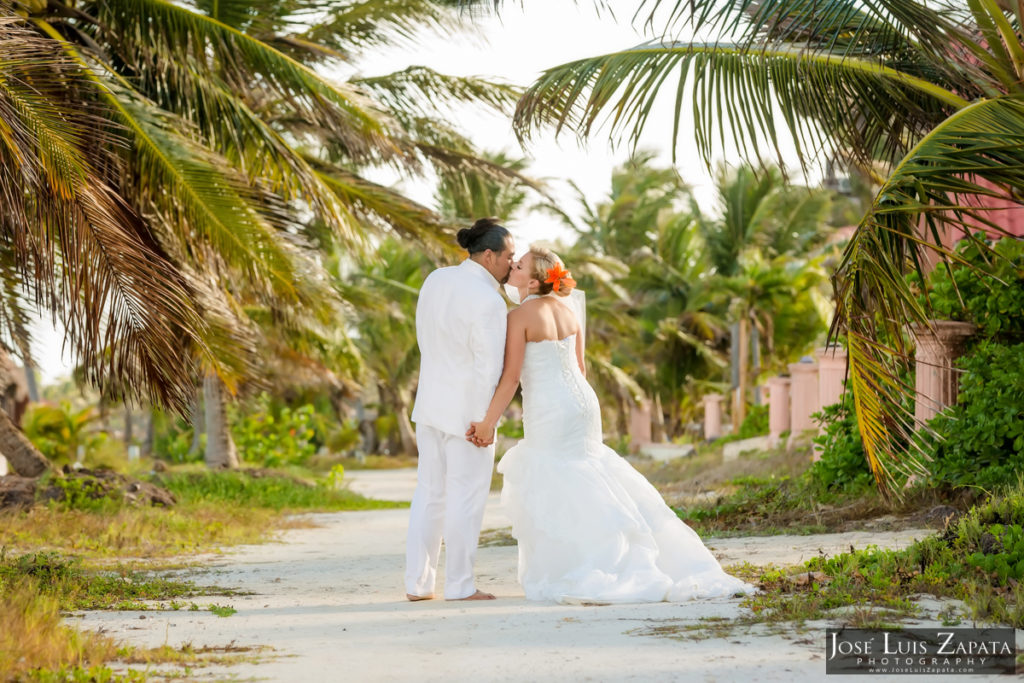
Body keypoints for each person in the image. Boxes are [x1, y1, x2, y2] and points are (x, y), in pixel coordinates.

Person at [467, 246, 755, 604]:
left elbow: (511, 379)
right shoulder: (568, 312)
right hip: (584, 404)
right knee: (589, 473)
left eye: (520, 265)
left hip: (551, 409)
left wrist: (487, 423)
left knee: (560, 480)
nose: (513, 267)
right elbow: (581, 368)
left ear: (537, 280)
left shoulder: (519, 317)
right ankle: (625, 554)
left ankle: (592, 563)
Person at [405, 217, 515, 602]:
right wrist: (486, 422)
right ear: (489, 256)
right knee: (466, 497)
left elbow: (424, 337)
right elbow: (489, 367)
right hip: (468, 415)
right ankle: (460, 585)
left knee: (429, 493)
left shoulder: (435, 279)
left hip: (429, 404)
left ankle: (417, 585)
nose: (511, 266)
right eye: (509, 257)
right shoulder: (489, 300)